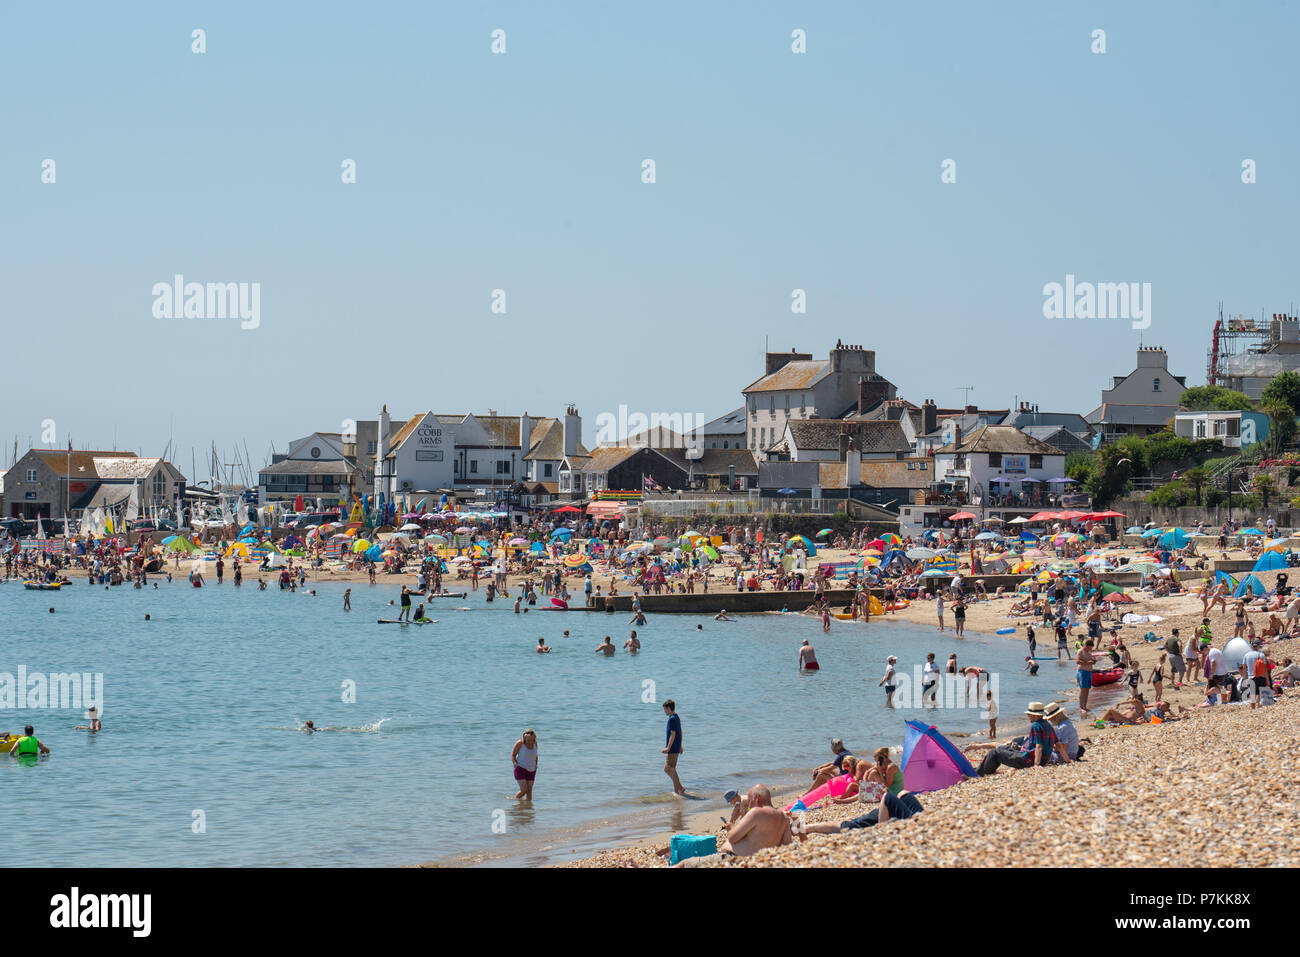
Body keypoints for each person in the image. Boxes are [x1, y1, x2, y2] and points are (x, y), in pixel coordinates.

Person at [975, 702, 1066, 774]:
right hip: (1039, 759)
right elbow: (1058, 745)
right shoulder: (1048, 725)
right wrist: (1068, 761)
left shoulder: (1035, 725)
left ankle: (979, 774)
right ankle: (983, 769)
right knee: (1003, 748)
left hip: (1026, 760)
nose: (1028, 716)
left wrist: (1036, 764)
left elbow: (1039, 746)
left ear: (1035, 715)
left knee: (995, 752)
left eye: (1029, 714)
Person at [795, 789, 924, 836]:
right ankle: (801, 828)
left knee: (842, 825)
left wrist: (882, 832)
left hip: (889, 815)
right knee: (903, 793)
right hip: (911, 817)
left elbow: (887, 797)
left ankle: (802, 828)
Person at [662, 700, 685, 794]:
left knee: (669, 768)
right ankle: (680, 788)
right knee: (670, 769)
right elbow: (681, 732)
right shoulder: (676, 717)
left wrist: (668, 748)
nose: (664, 711)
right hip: (676, 747)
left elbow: (673, 734)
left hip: (672, 748)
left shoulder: (672, 719)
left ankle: (677, 791)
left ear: (668, 708)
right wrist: (680, 745)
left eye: (665, 709)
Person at [510, 729, 539, 800]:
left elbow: (535, 755)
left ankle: (528, 808)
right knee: (524, 790)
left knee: (529, 790)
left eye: (531, 740)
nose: (529, 741)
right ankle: (515, 800)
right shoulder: (520, 743)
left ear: (534, 738)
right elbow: (513, 755)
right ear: (524, 738)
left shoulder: (535, 743)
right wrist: (515, 763)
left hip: (532, 769)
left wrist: (536, 765)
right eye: (527, 740)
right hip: (520, 768)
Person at [1076, 639, 1099, 716]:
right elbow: (1078, 661)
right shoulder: (1080, 651)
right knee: (1083, 689)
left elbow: (1093, 660)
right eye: (1090, 648)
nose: (1091, 649)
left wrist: (1093, 661)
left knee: (1087, 689)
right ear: (1087, 646)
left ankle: (1085, 706)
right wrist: (1087, 663)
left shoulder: (1089, 652)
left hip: (1089, 672)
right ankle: (1081, 707)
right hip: (1082, 672)